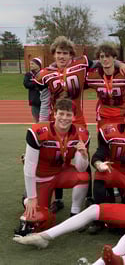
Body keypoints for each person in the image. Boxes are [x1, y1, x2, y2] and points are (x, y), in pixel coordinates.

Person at [15, 98, 90, 237]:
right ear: (54, 114)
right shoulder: (39, 131)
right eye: (61, 113)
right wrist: (31, 197)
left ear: (74, 117)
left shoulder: (81, 133)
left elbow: (81, 168)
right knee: (39, 219)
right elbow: (29, 166)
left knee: (83, 177)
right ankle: (27, 199)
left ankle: (75, 214)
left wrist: (83, 155)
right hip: (42, 178)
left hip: (62, 173)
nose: (64, 118)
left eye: (68, 115)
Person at [86, 43, 125, 128]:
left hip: (121, 116)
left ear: (114, 58)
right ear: (99, 59)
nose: (105, 59)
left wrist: (120, 64)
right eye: (102, 57)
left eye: (108, 56)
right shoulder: (92, 76)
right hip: (103, 116)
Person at [23, 58, 42, 123]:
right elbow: (26, 84)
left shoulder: (43, 73)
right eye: (30, 64)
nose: (31, 65)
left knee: (45, 119)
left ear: (38, 65)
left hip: (44, 101)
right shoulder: (28, 74)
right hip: (34, 100)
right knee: (36, 119)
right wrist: (36, 82)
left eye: (32, 64)